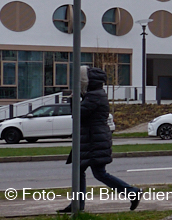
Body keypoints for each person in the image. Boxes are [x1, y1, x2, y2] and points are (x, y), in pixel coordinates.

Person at [58, 66, 142, 213]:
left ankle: (132, 192)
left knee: (97, 173)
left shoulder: (94, 96)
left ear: (87, 82)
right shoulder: (95, 94)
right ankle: (77, 204)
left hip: (94, 140)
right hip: (92, 138)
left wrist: (73, 99)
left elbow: (78, 115)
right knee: (82, 171)